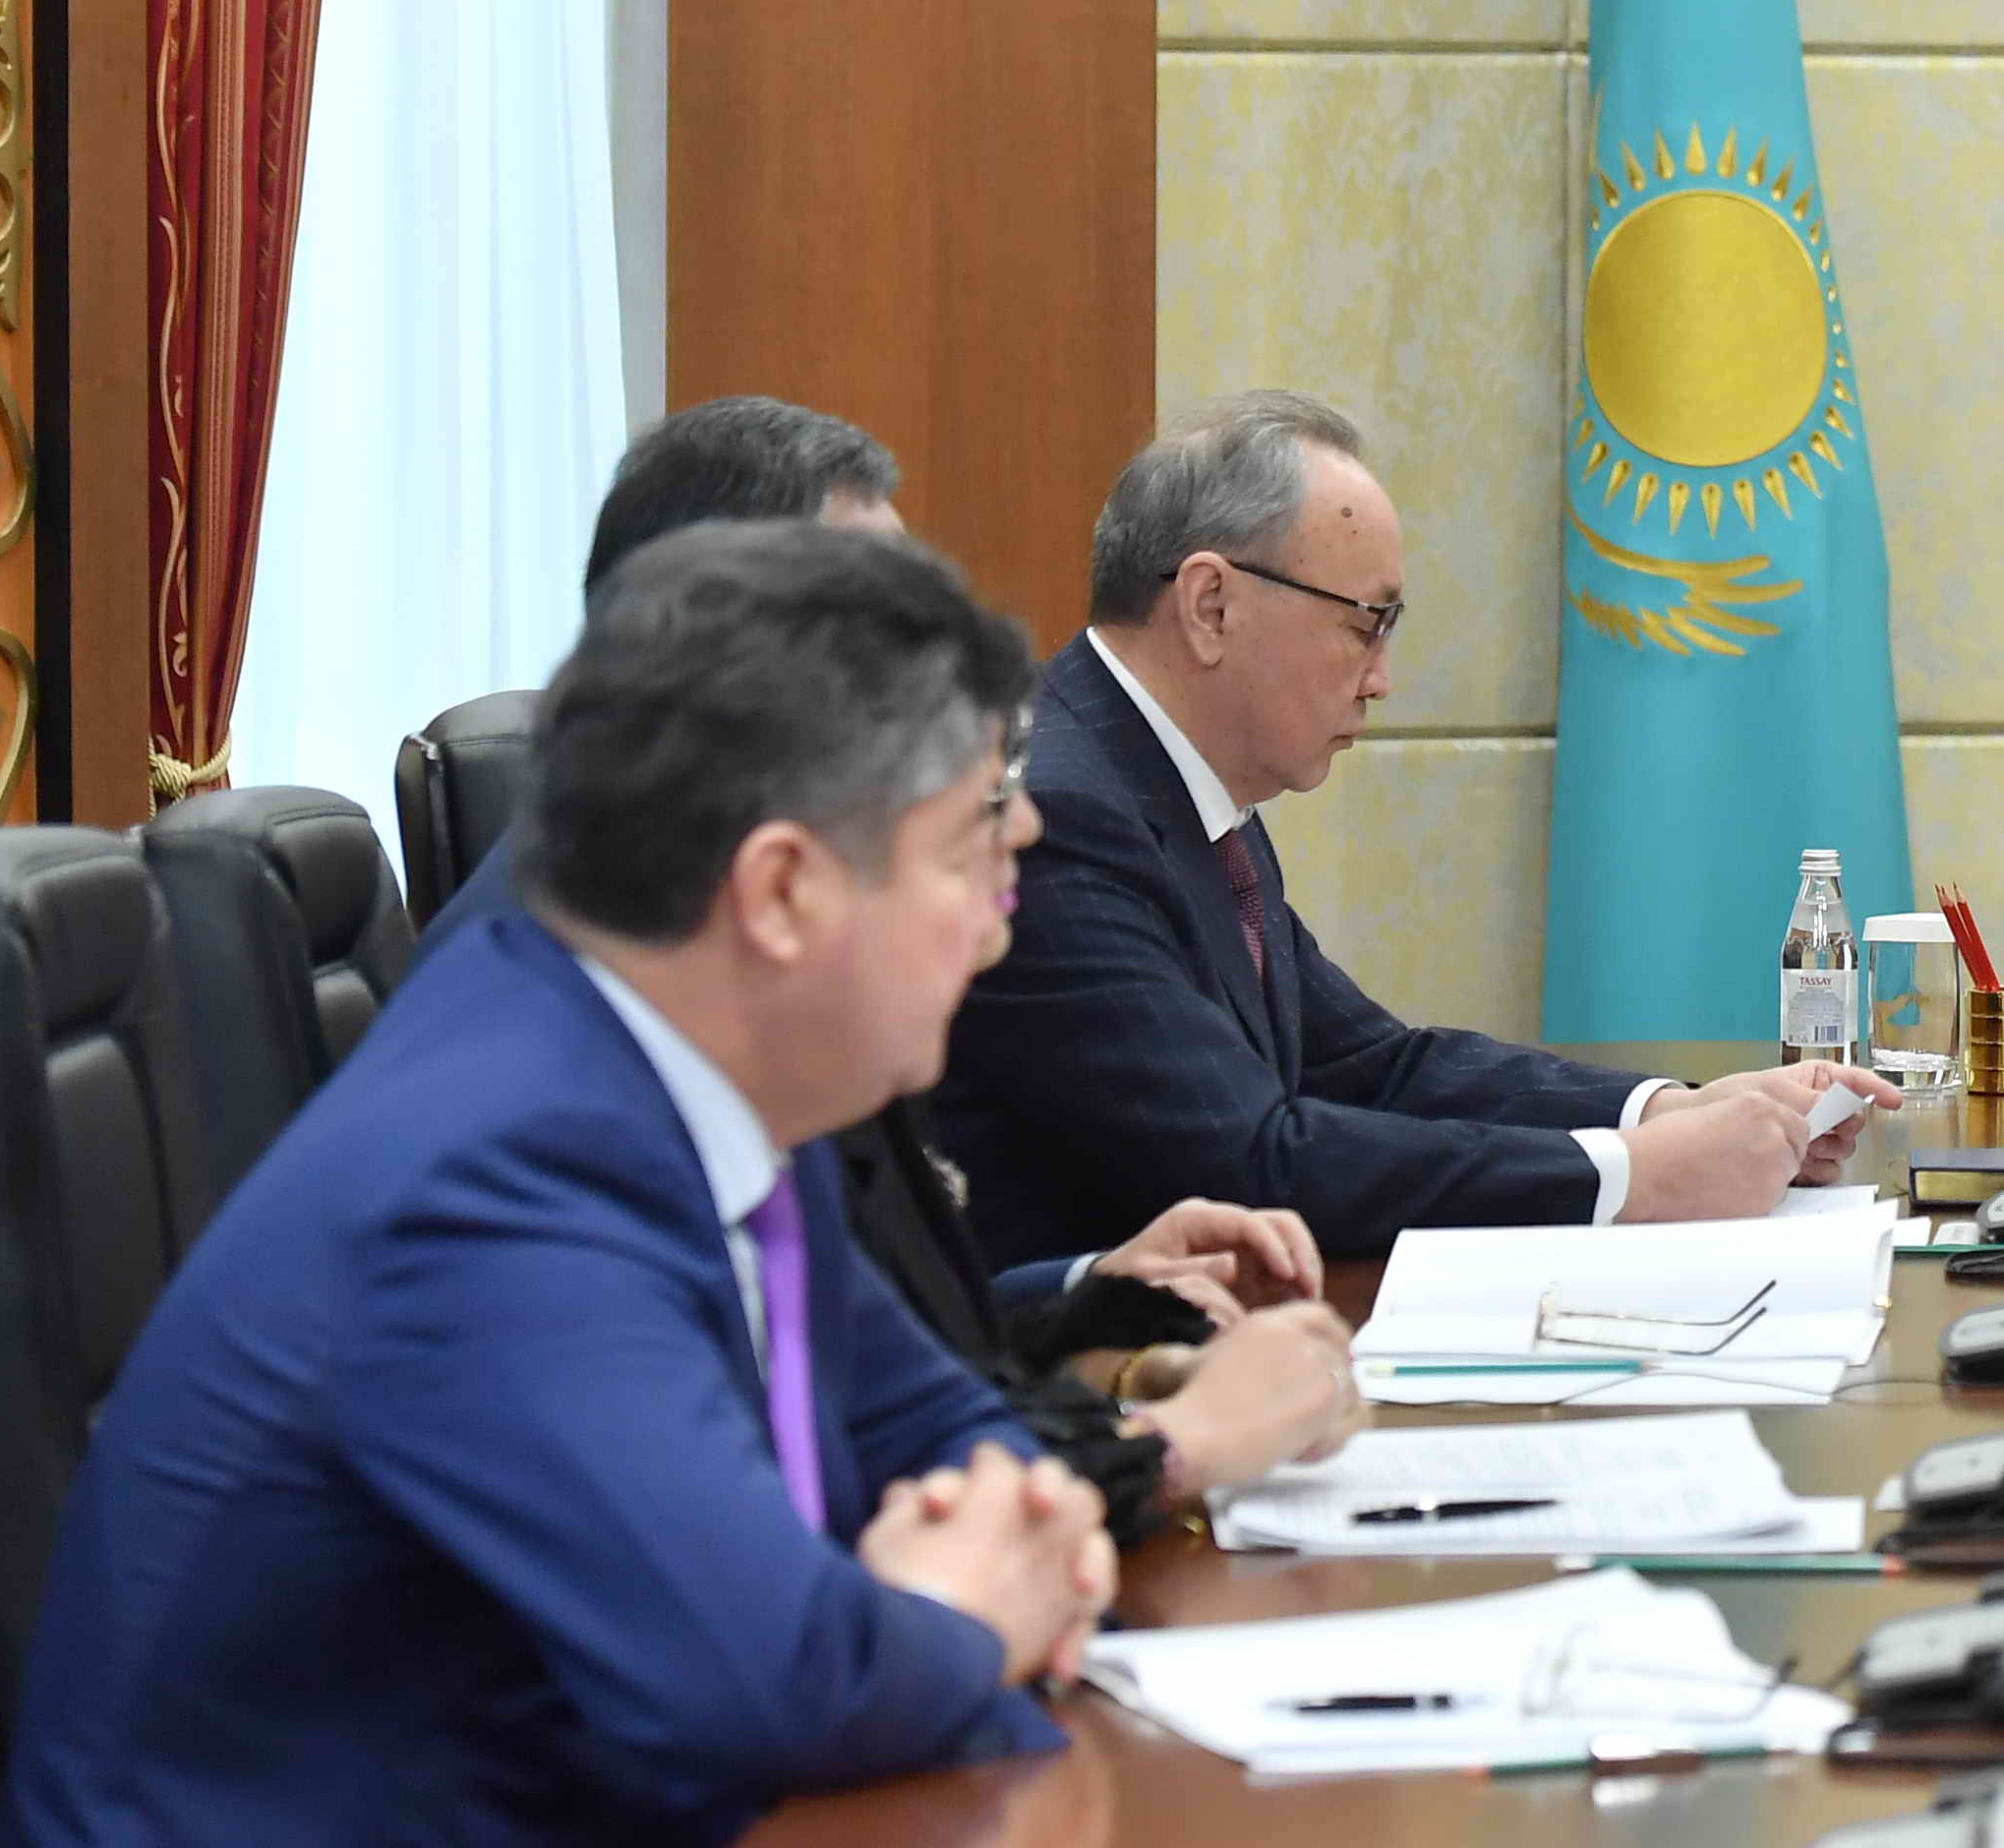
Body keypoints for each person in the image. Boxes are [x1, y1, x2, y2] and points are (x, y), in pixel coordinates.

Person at [0, 524, 1121, 1848]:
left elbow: (963, 1440)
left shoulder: (708, 1091)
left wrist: (1002, 1549)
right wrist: (961, 1614)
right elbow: (774, 1672)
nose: (1011, 887)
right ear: (783, 891)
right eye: (977, 838)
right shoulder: (500, 1172)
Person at [416, 394, 1365, 1531]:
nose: (1014, 825)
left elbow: (874, 1370)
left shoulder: (729, 989)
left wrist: (1092, 1303)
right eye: (894, 651)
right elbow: (763, 1569)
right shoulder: (540, 1088)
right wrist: (1175, 1446)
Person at [917, 392, 1882, 1260]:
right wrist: (1637, 1176)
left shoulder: (1176, 784)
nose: (1381, 679)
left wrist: (1668, 1111)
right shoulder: (1062, 815)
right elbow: (1251, 1161)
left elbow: (1370, 1067)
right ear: (1211, 605)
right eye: (1365, 623)